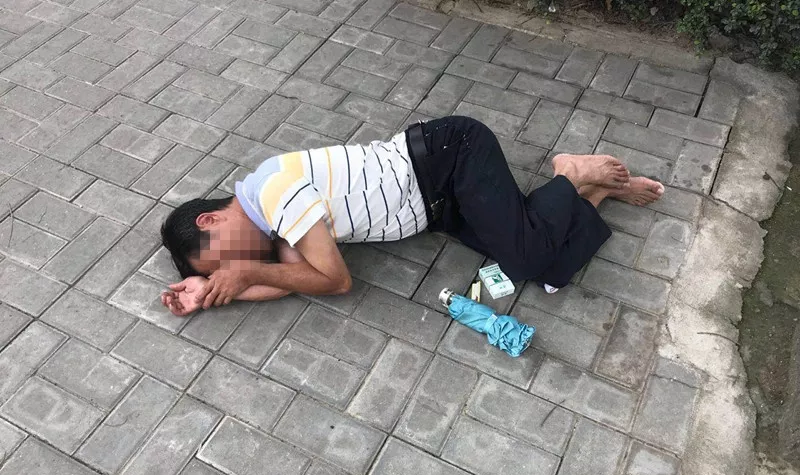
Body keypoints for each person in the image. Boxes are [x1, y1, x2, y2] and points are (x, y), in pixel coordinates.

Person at [160, 116, 664, 316]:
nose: (233, 268)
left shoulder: (272, 194)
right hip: (440, 203)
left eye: (220, 262)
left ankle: (569, 173)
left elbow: (335, 281)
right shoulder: (276, 226)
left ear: (209, 222)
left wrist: (242, 273)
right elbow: (297, 282)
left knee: (528, 255)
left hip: (451, 157)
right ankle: (595, 194)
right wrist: (214, 292)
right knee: (545, 268)